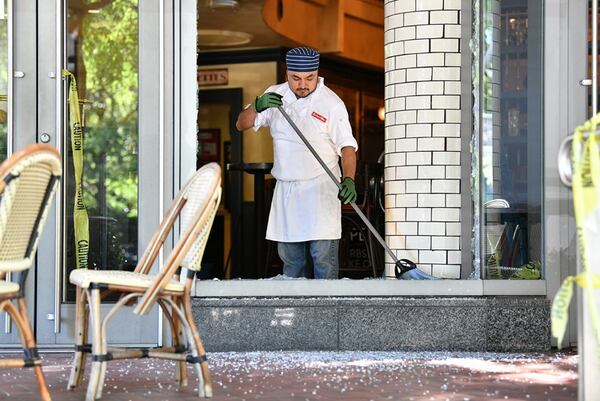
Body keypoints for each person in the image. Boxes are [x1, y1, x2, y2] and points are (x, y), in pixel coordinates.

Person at [235, 46, 358, 279]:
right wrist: (258, 105)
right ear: (287, 75)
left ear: (317, 73)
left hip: (321, 190)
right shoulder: (274, 95)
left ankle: (327, 313)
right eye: (296, 78)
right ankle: (295, 314)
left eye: (309, 78)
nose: (303, 84)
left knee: (323, 261)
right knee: (292, 264)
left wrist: (350, 179)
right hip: (287, 192)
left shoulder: (331, 103)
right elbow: (241, 124)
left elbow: (347, 148)